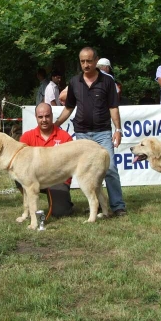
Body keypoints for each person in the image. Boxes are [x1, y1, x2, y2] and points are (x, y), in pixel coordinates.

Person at [54, 47, 127, 217]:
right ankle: (96, 205)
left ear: (96, 61)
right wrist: (56, 124)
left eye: (89, 61)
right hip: (82, 134)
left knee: (110, 169)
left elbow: (113, 107)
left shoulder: (108, 82)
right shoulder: (74, 82)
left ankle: (118, 206)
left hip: (103, 133)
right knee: (88, 173)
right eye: (82, 61)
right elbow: (69, 107)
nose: (86, 65)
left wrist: (118, 129)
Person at [19, 103, 74, 218]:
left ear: (52, 116)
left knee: (60, 212)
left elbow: (71, 165)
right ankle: (30, 204)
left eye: (47, 116)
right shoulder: (27, 137)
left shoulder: (65, 137)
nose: (44, 120)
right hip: (34, 179)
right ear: (36, 117)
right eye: (40, 117)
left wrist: (64, 182)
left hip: (57, 180)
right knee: (19, 177)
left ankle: (61, 201)